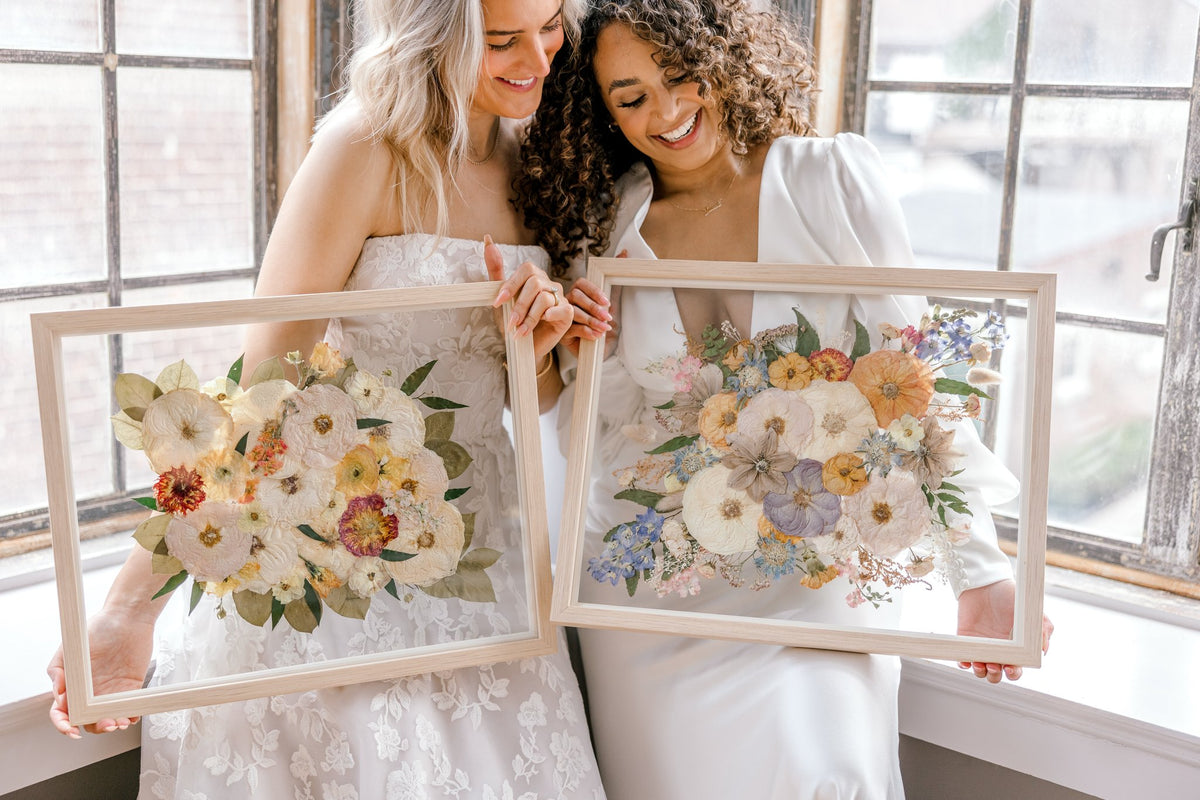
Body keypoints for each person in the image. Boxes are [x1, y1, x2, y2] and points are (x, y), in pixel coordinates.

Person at [47, 0, 608, 797]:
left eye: (552, 25)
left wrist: (540, 344)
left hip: (494, 570)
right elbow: (259, 389)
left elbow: (535, 403)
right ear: (434, 34)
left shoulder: (543, 156)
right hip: (341, 561)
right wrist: (128, 606)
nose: (541, 60)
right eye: (503, 40)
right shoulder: (364, 149)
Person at [517, 1, 1053, 797]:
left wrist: (979, 572)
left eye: (679, 75)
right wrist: (569, 351)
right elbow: (599, 443)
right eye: (630, 98)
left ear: (721, 56)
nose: (665, 113)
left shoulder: (828, 179)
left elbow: (910, 387)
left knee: (823, 773)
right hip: (655, 594)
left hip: (813, 577)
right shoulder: (608, 227)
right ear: (603, 113)